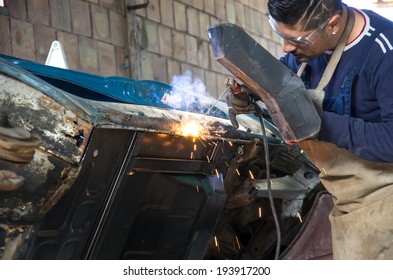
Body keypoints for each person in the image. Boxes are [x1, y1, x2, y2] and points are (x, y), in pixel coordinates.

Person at [227, 0, 393, 259]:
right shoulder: (306, 54)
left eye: (298, 39)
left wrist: (317, 124)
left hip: (386, 204)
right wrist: (251, 93)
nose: (287, 47)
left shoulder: (385, 50)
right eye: (281, 35)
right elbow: (280, 86)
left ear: (333, 24)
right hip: (346, 202)